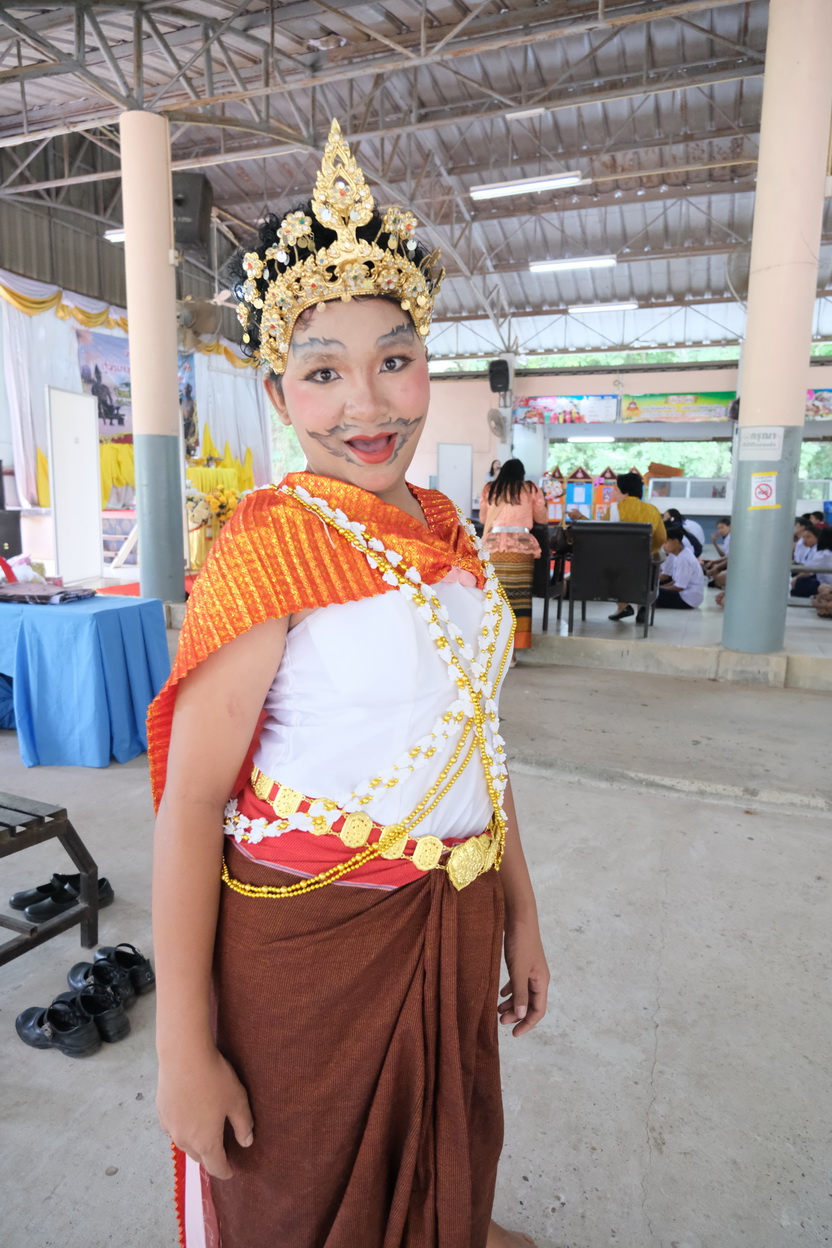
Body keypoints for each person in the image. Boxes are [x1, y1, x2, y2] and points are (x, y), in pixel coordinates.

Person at [150, 119, 548, 1248]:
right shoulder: (270, 547)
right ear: (281, 398)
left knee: (447, 1163)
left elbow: (480, 740)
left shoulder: (450, 534)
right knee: (300, 1200)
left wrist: (520, 913)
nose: (367, 404)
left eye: (394, 359)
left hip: (454, 917)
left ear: (428, 365)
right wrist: (182, 1049)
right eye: (323, 372)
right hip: (311, 947)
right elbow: (192, 802)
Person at [567, 471, 666, 622]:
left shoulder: (614, 509)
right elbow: (661, 537)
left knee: (603, 564)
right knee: (645, 565)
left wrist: (580, 518)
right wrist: (649, 551)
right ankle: (643, 607)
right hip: (643, 566)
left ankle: (622, 605)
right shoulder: (653, 510)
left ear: (625, 493)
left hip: (617, 567)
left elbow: (597, 532)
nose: (612, 493)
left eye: (616, 489)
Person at [479, 458, 547, 657]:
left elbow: (483, 519)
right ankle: (514, 650)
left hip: (493, 548)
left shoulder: (489, 489)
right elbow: (542, 517)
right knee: (518, 597)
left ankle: (494, 647)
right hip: (521, 548)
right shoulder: (530, 488)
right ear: (522, 474)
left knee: (495, 596)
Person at [656, 526, 705, 609]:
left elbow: (679, 587)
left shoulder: (683, 559)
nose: (663, 546)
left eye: (666, 542)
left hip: (687, 599)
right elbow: (676, 581)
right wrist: (660, 588)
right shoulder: (681, 554)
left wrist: (659, 590)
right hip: (690, 596)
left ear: (675, 542)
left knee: (651, 594)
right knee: (655, 590)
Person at [791, 525, 832, 597]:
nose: (804, 539)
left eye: (808, 537)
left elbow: (809, 571)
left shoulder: (824, 554)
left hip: (825, 584)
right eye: (804, 537)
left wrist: (794, 579)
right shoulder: (802, 544)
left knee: (798, 582)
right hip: (822, 580)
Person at [702, 516, 731, 586]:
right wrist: (714, 543)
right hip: (728, 561)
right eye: (718, 529)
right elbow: (723, 555)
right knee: (710, 565)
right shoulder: (727, 538)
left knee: (714, 566)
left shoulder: (731, 537)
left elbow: (729, 558)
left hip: (730, 563)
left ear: (730, 526)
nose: (720, 530)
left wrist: (715, 564)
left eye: (722, 527)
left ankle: (717, 581)